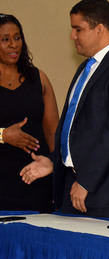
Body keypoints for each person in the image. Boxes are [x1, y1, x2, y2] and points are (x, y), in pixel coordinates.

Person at [21, 0, 109, 218]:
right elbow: (76, 127)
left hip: (105, 193)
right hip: (72, 186)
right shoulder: (85, 67)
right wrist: (54, 161)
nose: (72, 36)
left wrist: (86, 181)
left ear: (99, 29)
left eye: (78, 29)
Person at [0, 14, 58, 212]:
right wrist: (3, 135)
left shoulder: (38, 78)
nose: (13, 45)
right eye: (5, 39)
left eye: (17, 38)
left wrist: (56, 172)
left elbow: (53, 132)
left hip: (36, 179)